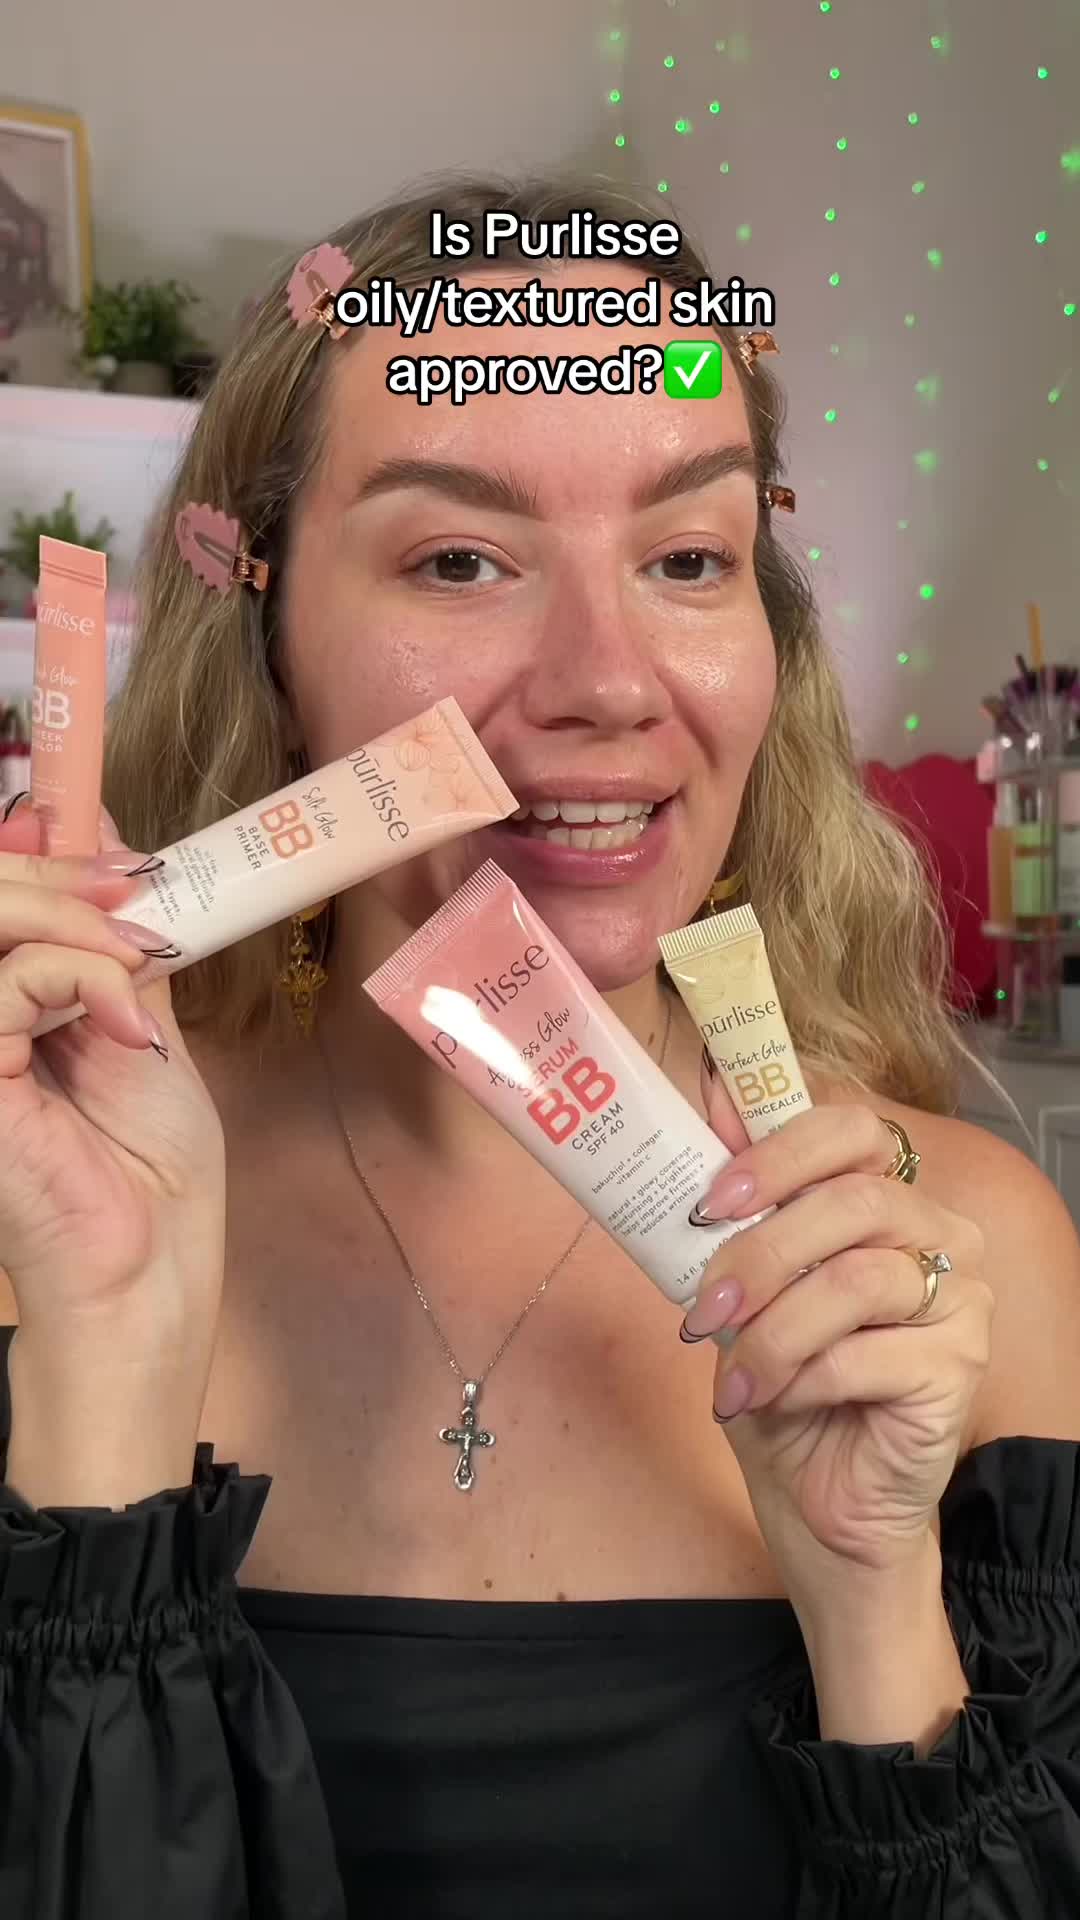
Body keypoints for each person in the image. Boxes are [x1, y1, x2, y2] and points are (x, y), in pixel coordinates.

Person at [1, 173, 1079, 1920]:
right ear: (265, 636)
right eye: (460, 559)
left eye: (688, 559)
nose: (610, 680)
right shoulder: (41, 1224)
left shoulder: (978, 1255)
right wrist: (107, 1382)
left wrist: (874, 1604)